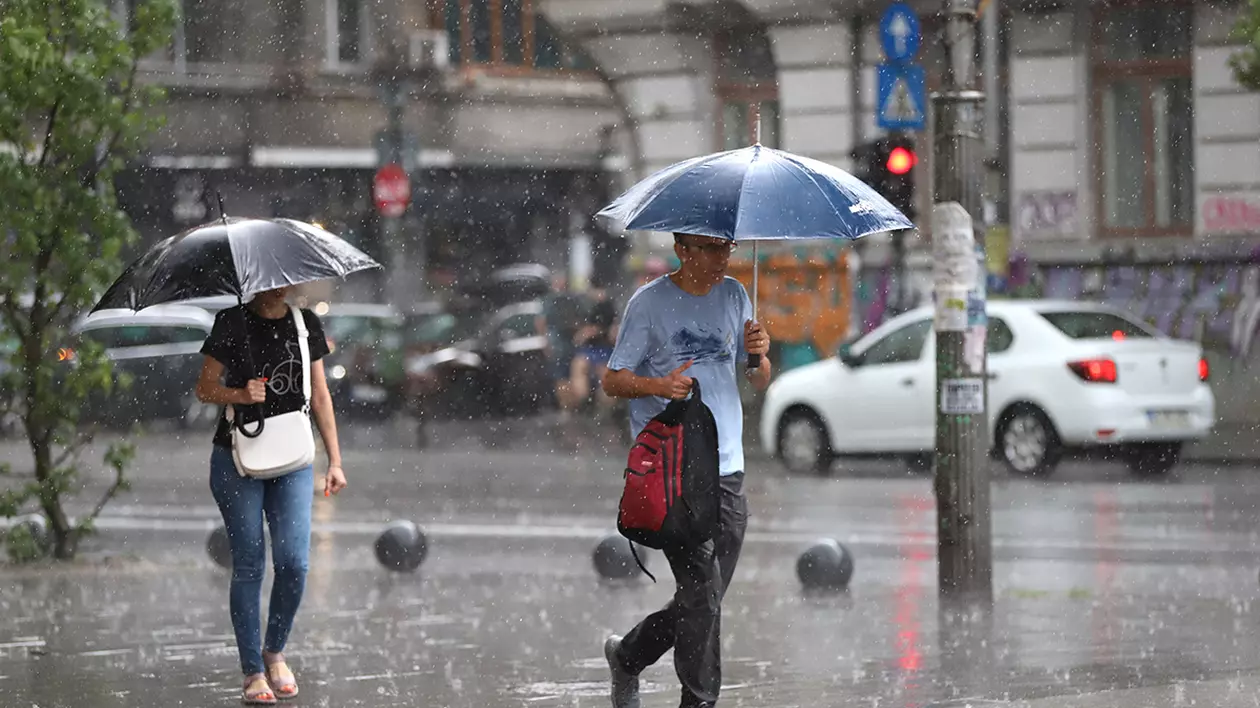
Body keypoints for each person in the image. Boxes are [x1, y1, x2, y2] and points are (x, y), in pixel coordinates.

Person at [600, 233, 772, 708]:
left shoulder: (735, 294)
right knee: (702, 594)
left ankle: (629, 655)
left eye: (728, 247)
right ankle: (698, 702)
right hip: (676, 471)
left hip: (728, 467)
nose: (724, 257)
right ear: (683, 249)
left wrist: (760, 353)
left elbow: (756, 375)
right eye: (713, 248)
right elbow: (613, 380)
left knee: (706, 599)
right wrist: (659, 384)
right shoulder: (649, 304)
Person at [193, 286, 348, 706]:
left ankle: (274, 651)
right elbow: (205, 388)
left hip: (294, 458)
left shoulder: (304, 324)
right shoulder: (232, 322)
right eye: (266, 282)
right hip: (236, 458)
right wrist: (240, 394)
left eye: (283, 282)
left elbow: (319, 395)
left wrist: (334, 460)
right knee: (249, 564)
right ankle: (252, 670)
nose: (274, 289)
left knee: (295, 562)